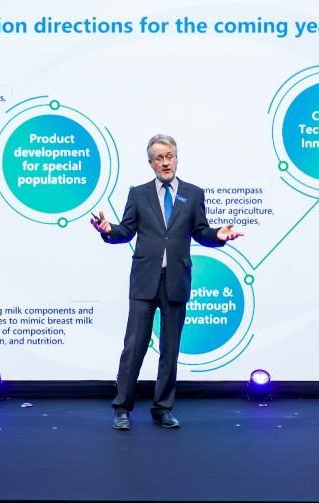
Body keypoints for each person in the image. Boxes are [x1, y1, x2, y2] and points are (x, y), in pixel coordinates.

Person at [91, 134, 243, 430]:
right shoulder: (138, 194)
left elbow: (201, 231)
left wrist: (218, 236)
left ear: (176, 158)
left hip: (176, 280)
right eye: (159, 158)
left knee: (170, 350)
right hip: (144, 281)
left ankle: (163, 409)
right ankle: (122, 408)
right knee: (134, 347)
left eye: (169, 156)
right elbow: (126, 231)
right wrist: (108, 230)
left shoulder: (193, 193)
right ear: (150, 163)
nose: (165, 162)